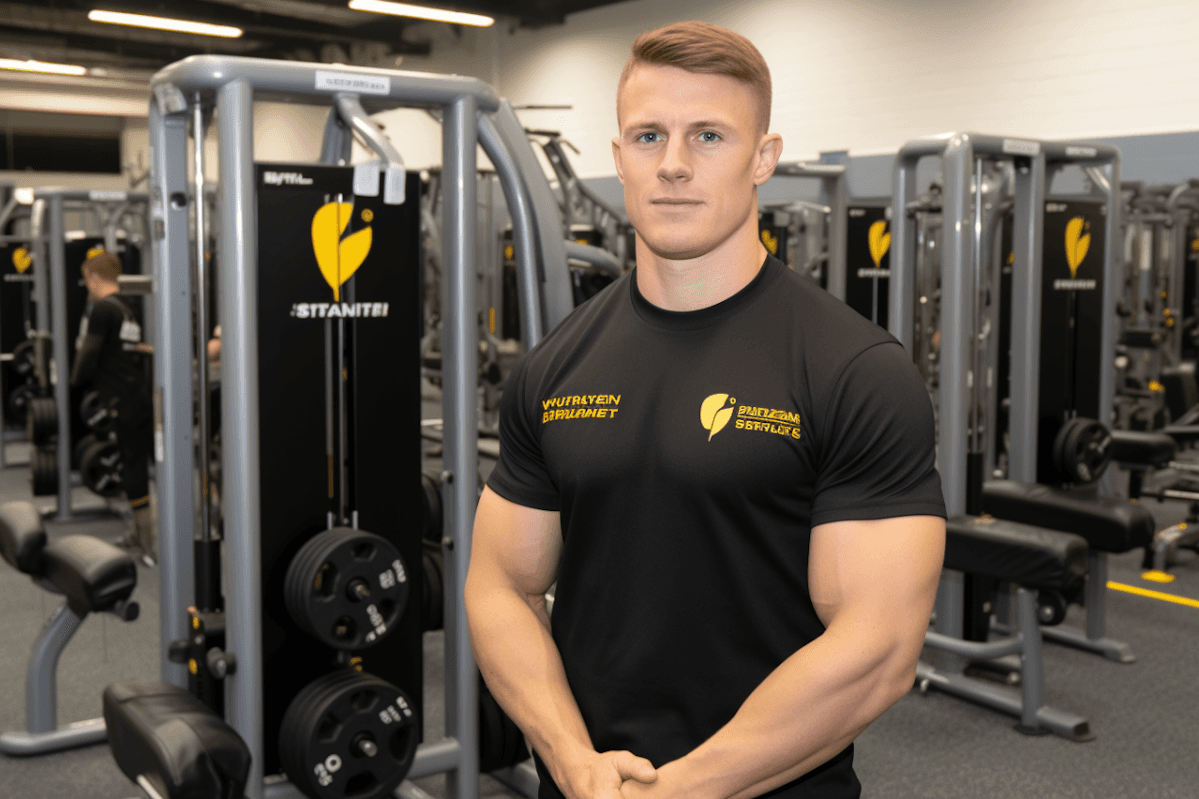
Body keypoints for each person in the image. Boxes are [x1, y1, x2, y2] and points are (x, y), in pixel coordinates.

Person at [465, 21, 946, 799]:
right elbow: (500, 585)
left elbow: (878, 647)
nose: (675, 165)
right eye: (648, 136)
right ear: (618, 158)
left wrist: (684, 788)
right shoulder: (556, 365)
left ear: (763, 156)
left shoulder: (853, 370)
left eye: (709, 136)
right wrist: (572, 759)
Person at [71, 251, 155, 562]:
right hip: (136, 396)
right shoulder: (127, 307)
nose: (87, 286)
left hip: (122, 400)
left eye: (87, 280)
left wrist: (73, 381)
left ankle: (146, 539)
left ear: (94, 278)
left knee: (132, 465)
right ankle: (140, 532)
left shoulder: (102, 308)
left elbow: (89, 352)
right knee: (135, 461)